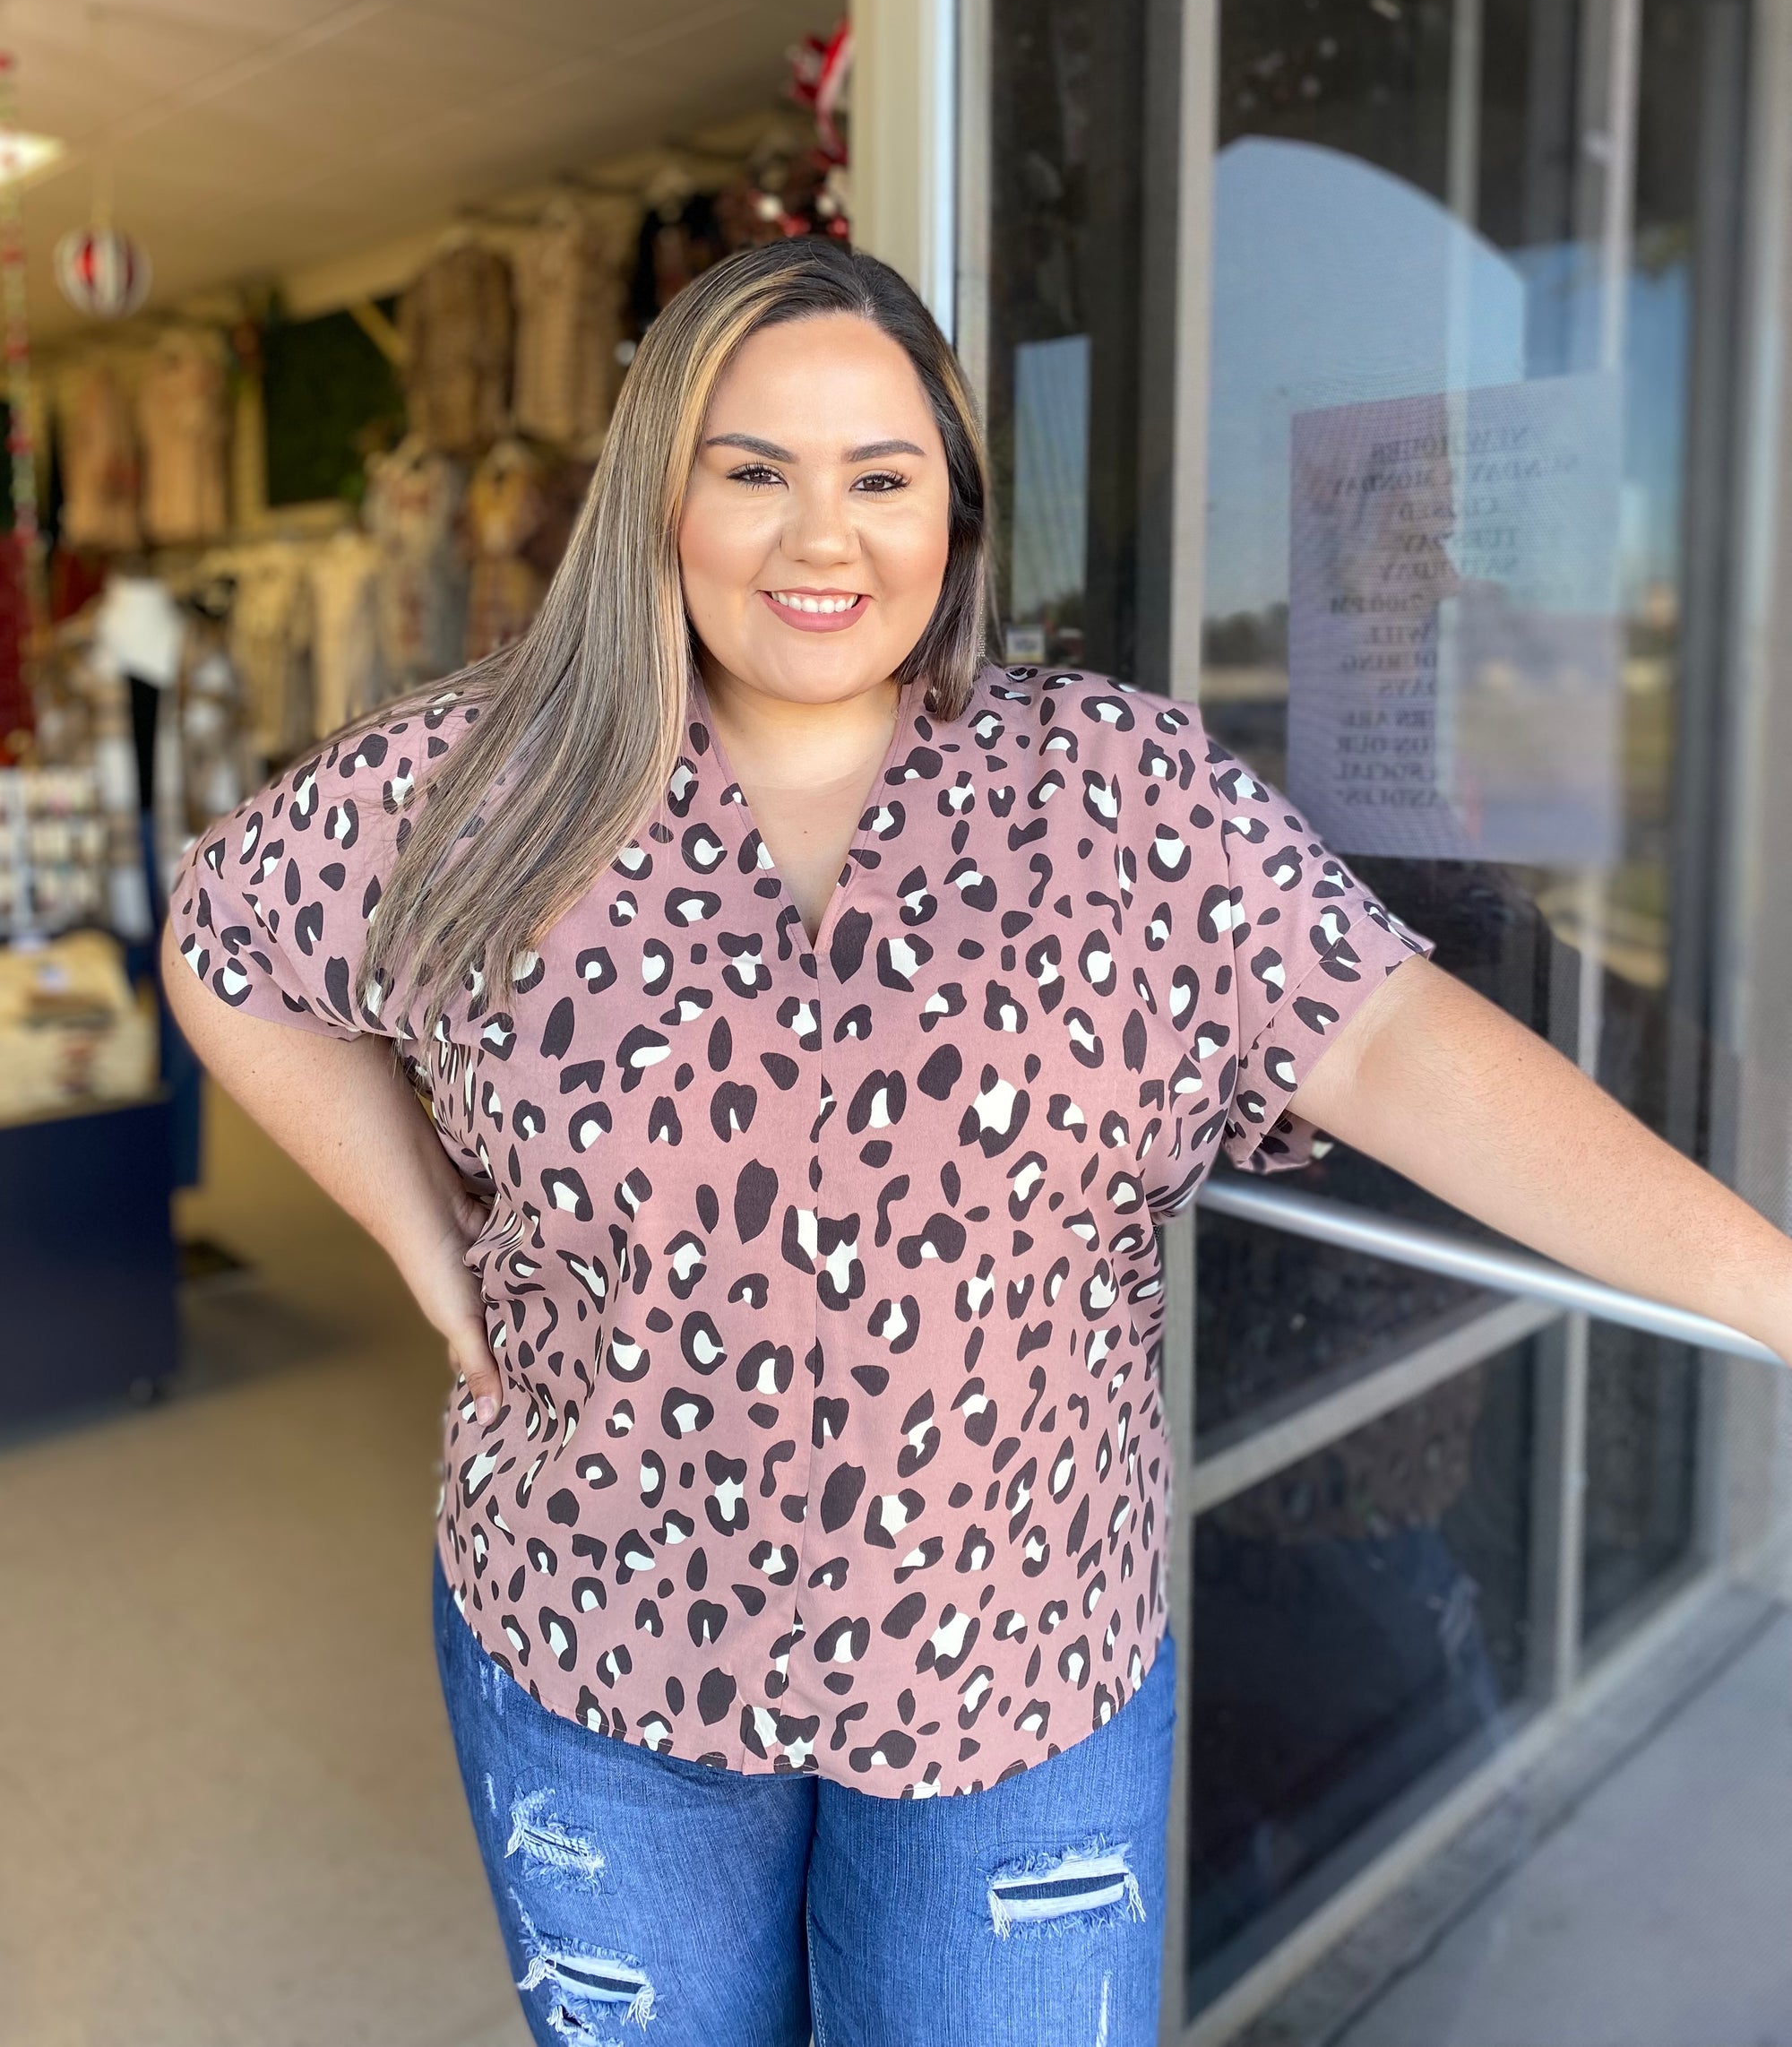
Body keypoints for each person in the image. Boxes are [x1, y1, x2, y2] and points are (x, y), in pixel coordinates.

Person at [161, 238, 1792, 2047]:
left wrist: (1775, 1288)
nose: (820, 538)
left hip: (1009, 1681)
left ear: (954, 507)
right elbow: (231, 947)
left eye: (880, 476)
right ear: (658, 496)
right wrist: (424, 1245)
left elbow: (1399, 1036)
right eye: (752, 469)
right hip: (593, 1636)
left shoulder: (1116, 793)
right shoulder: (475, 782)